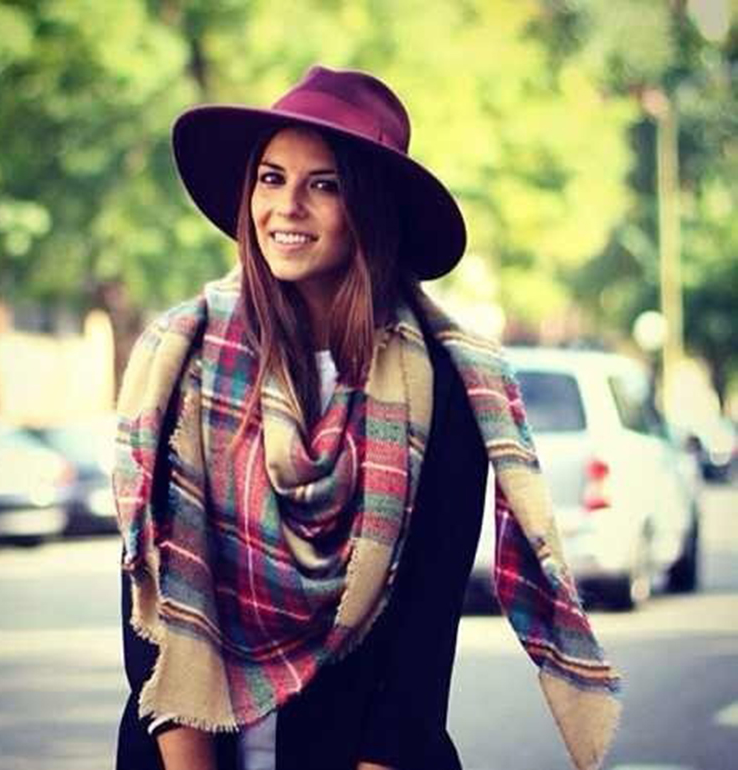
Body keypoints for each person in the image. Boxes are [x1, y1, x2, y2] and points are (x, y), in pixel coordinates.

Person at [113, 65, 621, 770]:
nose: (287, 207)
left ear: (371, 209)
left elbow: (422, 639)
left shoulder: (445, 383)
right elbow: (152, 604)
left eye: (324, 185)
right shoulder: (183, 360)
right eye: (271, 178)